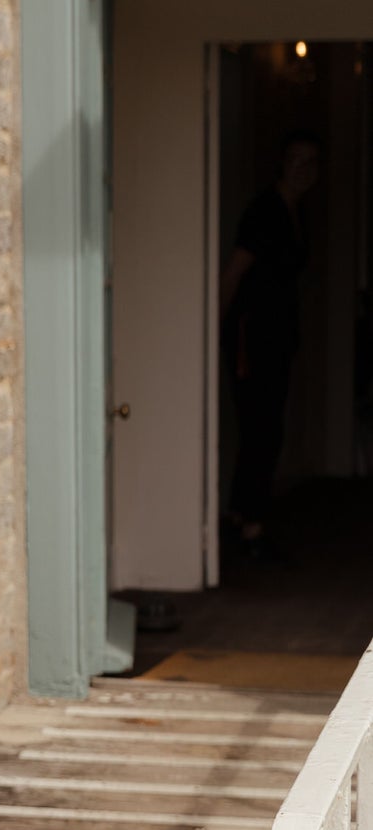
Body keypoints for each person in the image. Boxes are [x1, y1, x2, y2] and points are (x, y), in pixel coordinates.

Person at [221, 128, 320, 560]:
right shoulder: (265, 211)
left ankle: (242, 516)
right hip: (252, 335)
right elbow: (235, 272)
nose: (303, 170)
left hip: (277, 335)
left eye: (311, 162)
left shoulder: (297, 213)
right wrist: (214, 328)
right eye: (296, 160)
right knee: (260, 428)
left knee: (266, 427)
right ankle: (249, 525)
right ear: (282, 163)